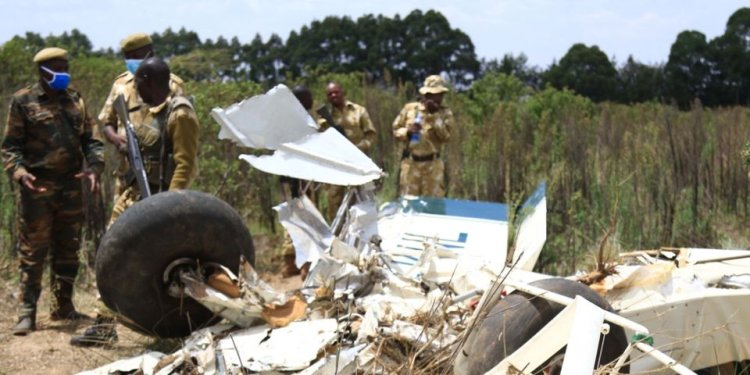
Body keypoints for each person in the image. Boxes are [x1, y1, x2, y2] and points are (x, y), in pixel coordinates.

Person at [70, 57, 200, 346]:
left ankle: (180, 325)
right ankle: (104, 325)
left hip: (163, 203)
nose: (135, 90)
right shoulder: (149, 112)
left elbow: (185, 164)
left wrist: (168, 206)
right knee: (112, 254)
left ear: (149, 82)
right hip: (135, 196)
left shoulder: (180, 114)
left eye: (138, 83)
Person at [2, 47, 105, 335]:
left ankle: (63, 305)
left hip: (71, 184)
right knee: (33, 250)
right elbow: (10, 147)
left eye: (66, 67)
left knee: (68, 247)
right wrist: (20, 174)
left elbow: (92, 140)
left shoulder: (75, 99)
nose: (63, 74)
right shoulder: (23, 101)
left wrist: (95, 168)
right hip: (38, 186)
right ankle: (26, 312)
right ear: (42, 72)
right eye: (57, 68)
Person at [98, 32, 185, 224]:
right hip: (126, 175)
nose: (132, 62)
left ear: (150, 53)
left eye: (136, 56)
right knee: (122, 229)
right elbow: (107, 122)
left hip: (160, 177)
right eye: (128, 57)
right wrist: (117, 140)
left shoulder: (172, 85)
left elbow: (180, 132)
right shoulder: (120, 85)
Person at [317, 82, 376, 221]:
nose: (333, 95)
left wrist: (356, 149)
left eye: (336, 92)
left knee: (360, 204)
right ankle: (337, 238)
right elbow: (320, 141)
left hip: (357, 164)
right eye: (330, 94)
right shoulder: (324, 118)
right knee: (335, 205)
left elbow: (371, 135)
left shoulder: (359, 111)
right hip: (336, 166)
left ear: (342, 92)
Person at [392, 75, 453, 197]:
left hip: (433, 166)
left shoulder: (445, 113)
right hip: (411, 165)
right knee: (408, 205)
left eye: (441, 94)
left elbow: (446, 137)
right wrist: (407, 131)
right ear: (427, 95)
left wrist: (434, 116)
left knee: (433, 207)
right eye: (435, 94)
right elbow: (395, 130)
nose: (439, 98)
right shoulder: (410, 109)